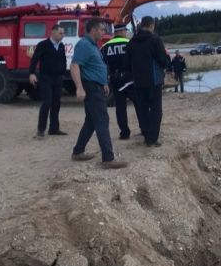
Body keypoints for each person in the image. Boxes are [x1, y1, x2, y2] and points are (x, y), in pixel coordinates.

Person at [70, 19, 128, 169]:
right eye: (102, 30)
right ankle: (108, 159)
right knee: (102, 120)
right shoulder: (84, 45)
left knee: (91, 121)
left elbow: (95, 66)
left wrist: (104, 83)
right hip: (91, 88)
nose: (104, 32)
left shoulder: (93, 45)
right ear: (93, 30)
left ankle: (78, 151)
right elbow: (75, 66)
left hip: (97, 86)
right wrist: (79, 88)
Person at [126, 16, 169, 147]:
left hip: (138, 81)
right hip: (154, 81)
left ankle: (145, 134)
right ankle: (152, 139)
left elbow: (127, 63)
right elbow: (162, 60)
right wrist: (167, 62)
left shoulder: (132, 41)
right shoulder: (155, 40)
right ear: (151, 26)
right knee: (156, 110)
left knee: (143, 109)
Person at [29, 25, 68, 139]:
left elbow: (64, 59)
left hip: (58, 78)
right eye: (61, 33)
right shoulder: (43, 45)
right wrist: (31, 73)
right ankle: (41, 130)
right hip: (46, 78)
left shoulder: (61, 46)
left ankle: (54, 128)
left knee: (56, 103)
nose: (63, 35)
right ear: (53, 33)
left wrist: (63, 72)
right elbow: (34, 59)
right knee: (47, 102)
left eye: (63, 33)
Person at [100, 25, 135, 139]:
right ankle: (144, 129)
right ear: (122, 31)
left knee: (120, 107)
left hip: (115, 79)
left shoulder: (105, 46)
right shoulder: (130, 43)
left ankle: (124, 133)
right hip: (130, 79)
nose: (126, 32)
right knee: (139, 104)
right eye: (125, 30)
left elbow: (102, 64)